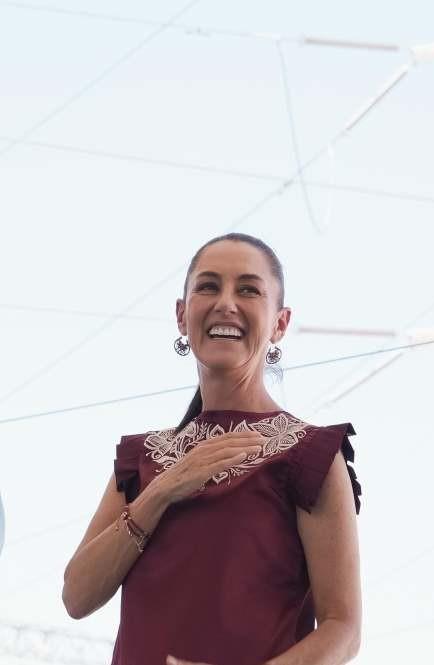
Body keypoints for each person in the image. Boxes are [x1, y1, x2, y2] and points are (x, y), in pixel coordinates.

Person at [62, 233, 362, 665]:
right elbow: (76, 596)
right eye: (208, 286)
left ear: (280, 322)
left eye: (248, 289)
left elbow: (344, 630)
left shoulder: (309, 454)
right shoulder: (142, 458)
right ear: (182, 315)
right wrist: (162, 492)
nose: (225, 302)